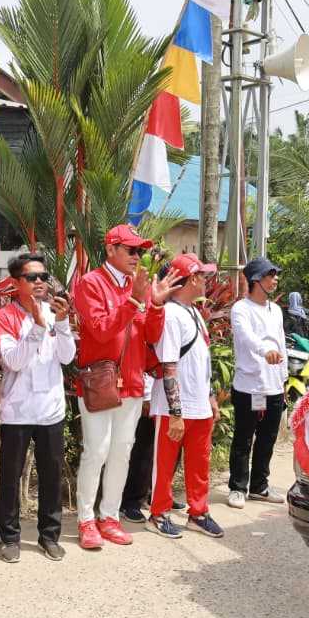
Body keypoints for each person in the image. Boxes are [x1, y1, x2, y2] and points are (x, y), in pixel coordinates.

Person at [73, 224, 177, 549]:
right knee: (96, 451)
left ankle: (109, 517)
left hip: (131, 383)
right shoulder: (90, 283)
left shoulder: (137, 285)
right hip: (100, 383)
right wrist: (134, 301)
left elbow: (151, 336)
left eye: (140, 251)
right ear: (110, 249)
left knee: (121, 452)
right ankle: (86, 520)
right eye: (131, 250)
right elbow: (101, 330)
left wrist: (156, 305)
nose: (137, 256)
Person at [0, 252, 75, 562]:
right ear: (16, 283)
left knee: (51, 475)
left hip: (51, 409)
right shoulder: (5, 317)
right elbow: (13, 361)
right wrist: (38, 328)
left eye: (43, 276)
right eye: (31, 277)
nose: (40, 282)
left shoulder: (55, 312)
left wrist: (61, 324)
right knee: (10, 477)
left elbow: (67, 357)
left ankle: (49, 536)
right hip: (18, 411)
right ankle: (10, 537)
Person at [146, 254, 225, 540]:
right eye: (203, 275)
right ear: (191, 278)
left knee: (199, 463)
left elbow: (201, 361)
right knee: (165, 465)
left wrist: (210, 397)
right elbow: (169, 365)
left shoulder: (193, 312)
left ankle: (198, 513)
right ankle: (158, 514)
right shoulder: (171, 314)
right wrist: (176, 413)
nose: (206, 280)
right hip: (175, 408)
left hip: (199, 404)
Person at [228, 257, 288, 509]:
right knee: (244, 438)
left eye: (275, 275)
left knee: (267, 439)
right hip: (251, 388)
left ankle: (259, 487)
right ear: (255, 280)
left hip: (274, 387)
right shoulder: (241, 309)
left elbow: (281, 343)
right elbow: (247, 337)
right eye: (270, 275)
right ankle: (237, 487)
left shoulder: (276, 310)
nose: (275, 280)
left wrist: (284, 379)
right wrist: (265, 351)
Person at [118, 374, 157, 523]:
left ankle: (152, 496)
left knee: (158, 452)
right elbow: (144, 367)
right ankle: (130, 502)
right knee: (142, 452)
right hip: (143, 395)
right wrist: (146, 396)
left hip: (169, 398)